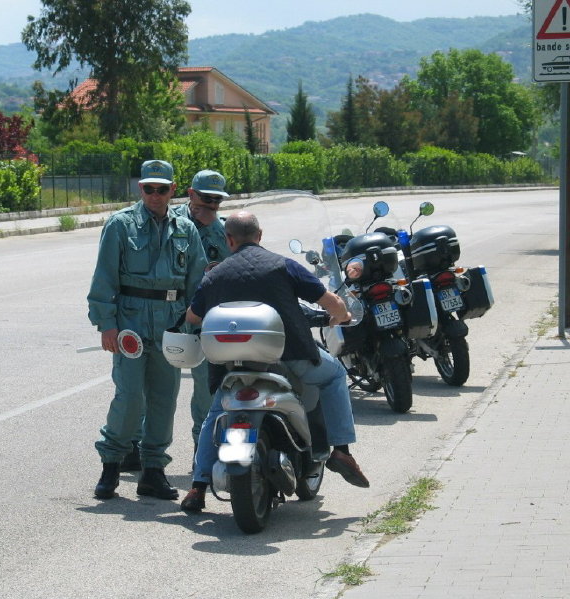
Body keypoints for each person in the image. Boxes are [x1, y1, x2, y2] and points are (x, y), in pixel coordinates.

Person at [179, 210, 370, 512]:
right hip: (289, 356)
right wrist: (342, 316)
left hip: (233, 365)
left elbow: (193, 316)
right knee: (334, 376)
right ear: (260, 235)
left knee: (215, 414)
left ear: (229, 240)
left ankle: (197, 487)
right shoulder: (283, 265)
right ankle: (342, 450)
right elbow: (330, 301)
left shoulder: (214, 275)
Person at [87, 159, 207, 500]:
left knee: (163, 399)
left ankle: (153, 470)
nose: (155, 195)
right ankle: (111, 465)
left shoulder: (185, 229)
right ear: (141, 188)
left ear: (172, 190)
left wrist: (196, 323)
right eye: (149, 188)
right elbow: (104, 278)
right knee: (129, 398)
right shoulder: (120, 225)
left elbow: (197, 281)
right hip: (131, 323)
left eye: (162, 189)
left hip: (171, 322)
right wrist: (106, 325)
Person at [119, 169, 231, 472]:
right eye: (205, 198)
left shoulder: (224, 229)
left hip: (206, 318)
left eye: (216, 200)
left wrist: (215, 228)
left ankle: (202, 449)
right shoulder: (170, 220)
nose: (210, 205)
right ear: (190, 194)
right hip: (168, 313)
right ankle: (135, 445)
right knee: (151, 385)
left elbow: (237, 262)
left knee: (207, 388)